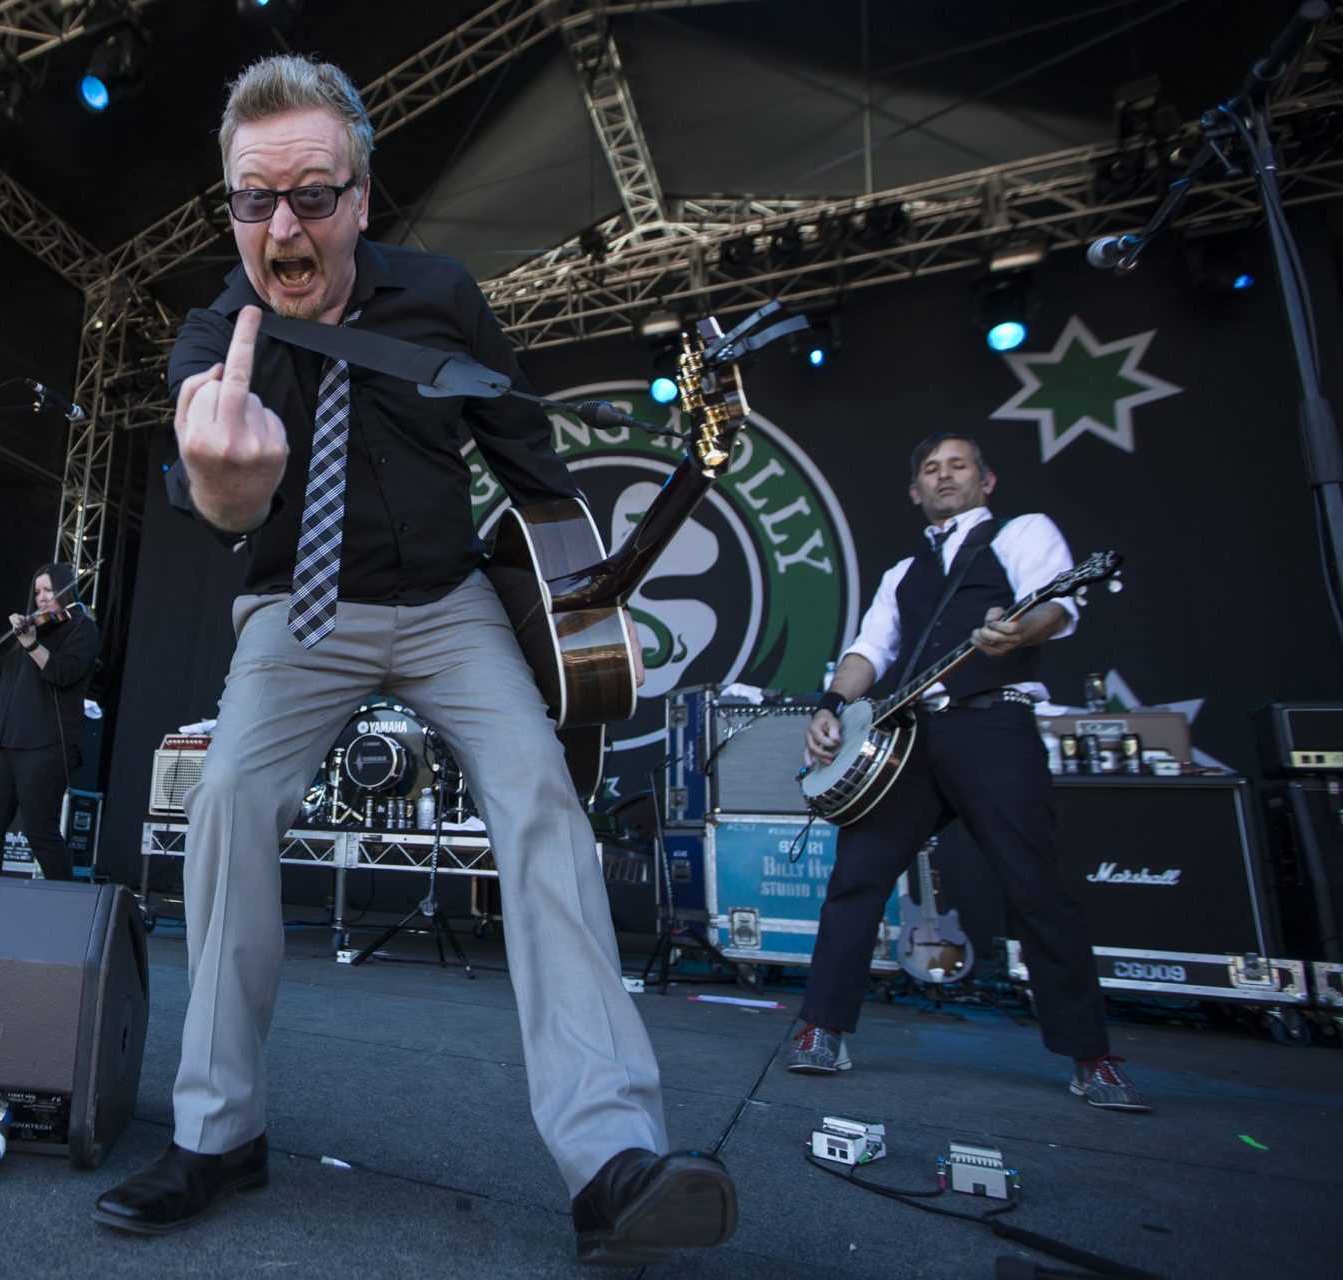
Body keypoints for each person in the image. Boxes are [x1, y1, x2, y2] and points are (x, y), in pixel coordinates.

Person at [90, 55, 737, 1266]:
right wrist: (226, 483)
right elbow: (212, 477)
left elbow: (524, 446)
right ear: (229, 204)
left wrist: (581, 584)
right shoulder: (208, 335)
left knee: (545, 805)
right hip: (298, 608)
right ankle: (218, 1131)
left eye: (312, 194)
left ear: (363, 198)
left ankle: (613, 1159)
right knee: (226, 803)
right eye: (252, 199)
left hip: (448, 606)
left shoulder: (443, 293)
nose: (282, 225)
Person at [790, 433, 1148, 1111]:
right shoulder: (903, 571)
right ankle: (821, 1029)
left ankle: (1092, 1057)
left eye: (958, 465)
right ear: (915, 492)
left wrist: (1020, 631)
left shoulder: (1021, 532)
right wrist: (833, 705)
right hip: (911, 738)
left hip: (993, 726)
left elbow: (1057, 605)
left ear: (986, 481)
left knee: (1035, 886)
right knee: (856, 877)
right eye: (931, 469)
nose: (944, 475)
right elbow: (870, 647)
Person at [0, 563, 98, 881]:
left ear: (66, 588)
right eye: (37, 591)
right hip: (5, 740)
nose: (41, 598)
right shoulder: (31, 629)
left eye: (49, 590)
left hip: (47, 742)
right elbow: (0, 676)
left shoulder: (81, 628)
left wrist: (31, 643)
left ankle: (67, 907)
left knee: (39, 830)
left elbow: (62, 673)